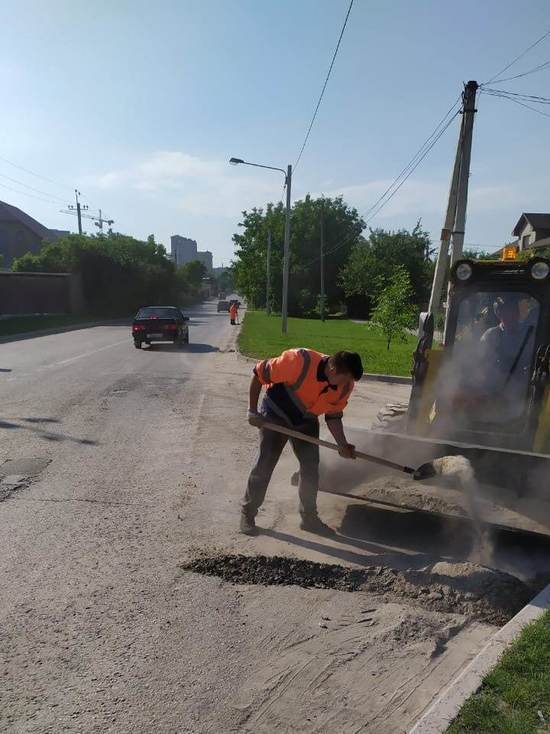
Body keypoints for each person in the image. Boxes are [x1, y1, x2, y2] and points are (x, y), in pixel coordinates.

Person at [240, 348, 364, 536]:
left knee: (310, 466)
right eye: (345, 378)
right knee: (266, 463)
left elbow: (333, 416)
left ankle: (309, 519)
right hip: (277, 413)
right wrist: (252, 411)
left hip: (306, 418)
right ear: (332, 369)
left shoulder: (345, 386)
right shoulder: (299, 360)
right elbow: (259, 374)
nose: (347, 385)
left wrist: (342, 445)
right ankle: (247, 513)